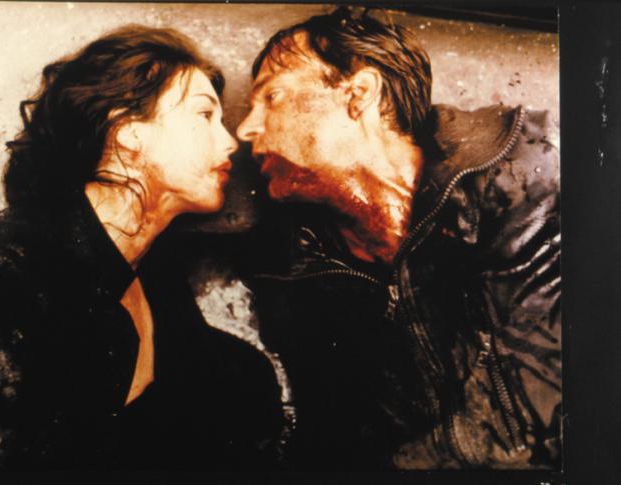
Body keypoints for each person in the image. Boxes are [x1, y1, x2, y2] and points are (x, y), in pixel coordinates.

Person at [237, 7, 560, 469]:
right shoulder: (296, 266)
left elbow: (547, 405)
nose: (245, 129)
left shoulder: (517, 172)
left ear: (359, 94)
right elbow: (332, 439)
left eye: (272, 96)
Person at [0, 25, 283, 469]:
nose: (230, 141)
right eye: (205, 114)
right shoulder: (4, 266)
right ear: (128, 132)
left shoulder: (152, 267)